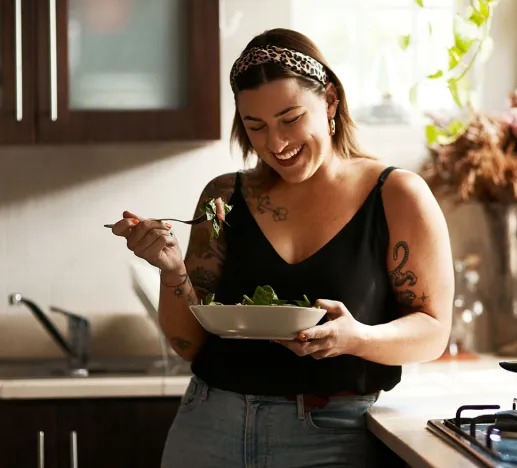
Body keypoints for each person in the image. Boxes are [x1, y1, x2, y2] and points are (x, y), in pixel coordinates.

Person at [110, 28, 454, 468]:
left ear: (329, 100)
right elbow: (189, 345)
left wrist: (355, 339)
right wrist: (171, 269)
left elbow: (432, 332)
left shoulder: (396, 194)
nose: (276, 144)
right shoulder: (224, 197)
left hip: (334, 436)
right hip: (208, 426)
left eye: (291, 119)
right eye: (256, 127)